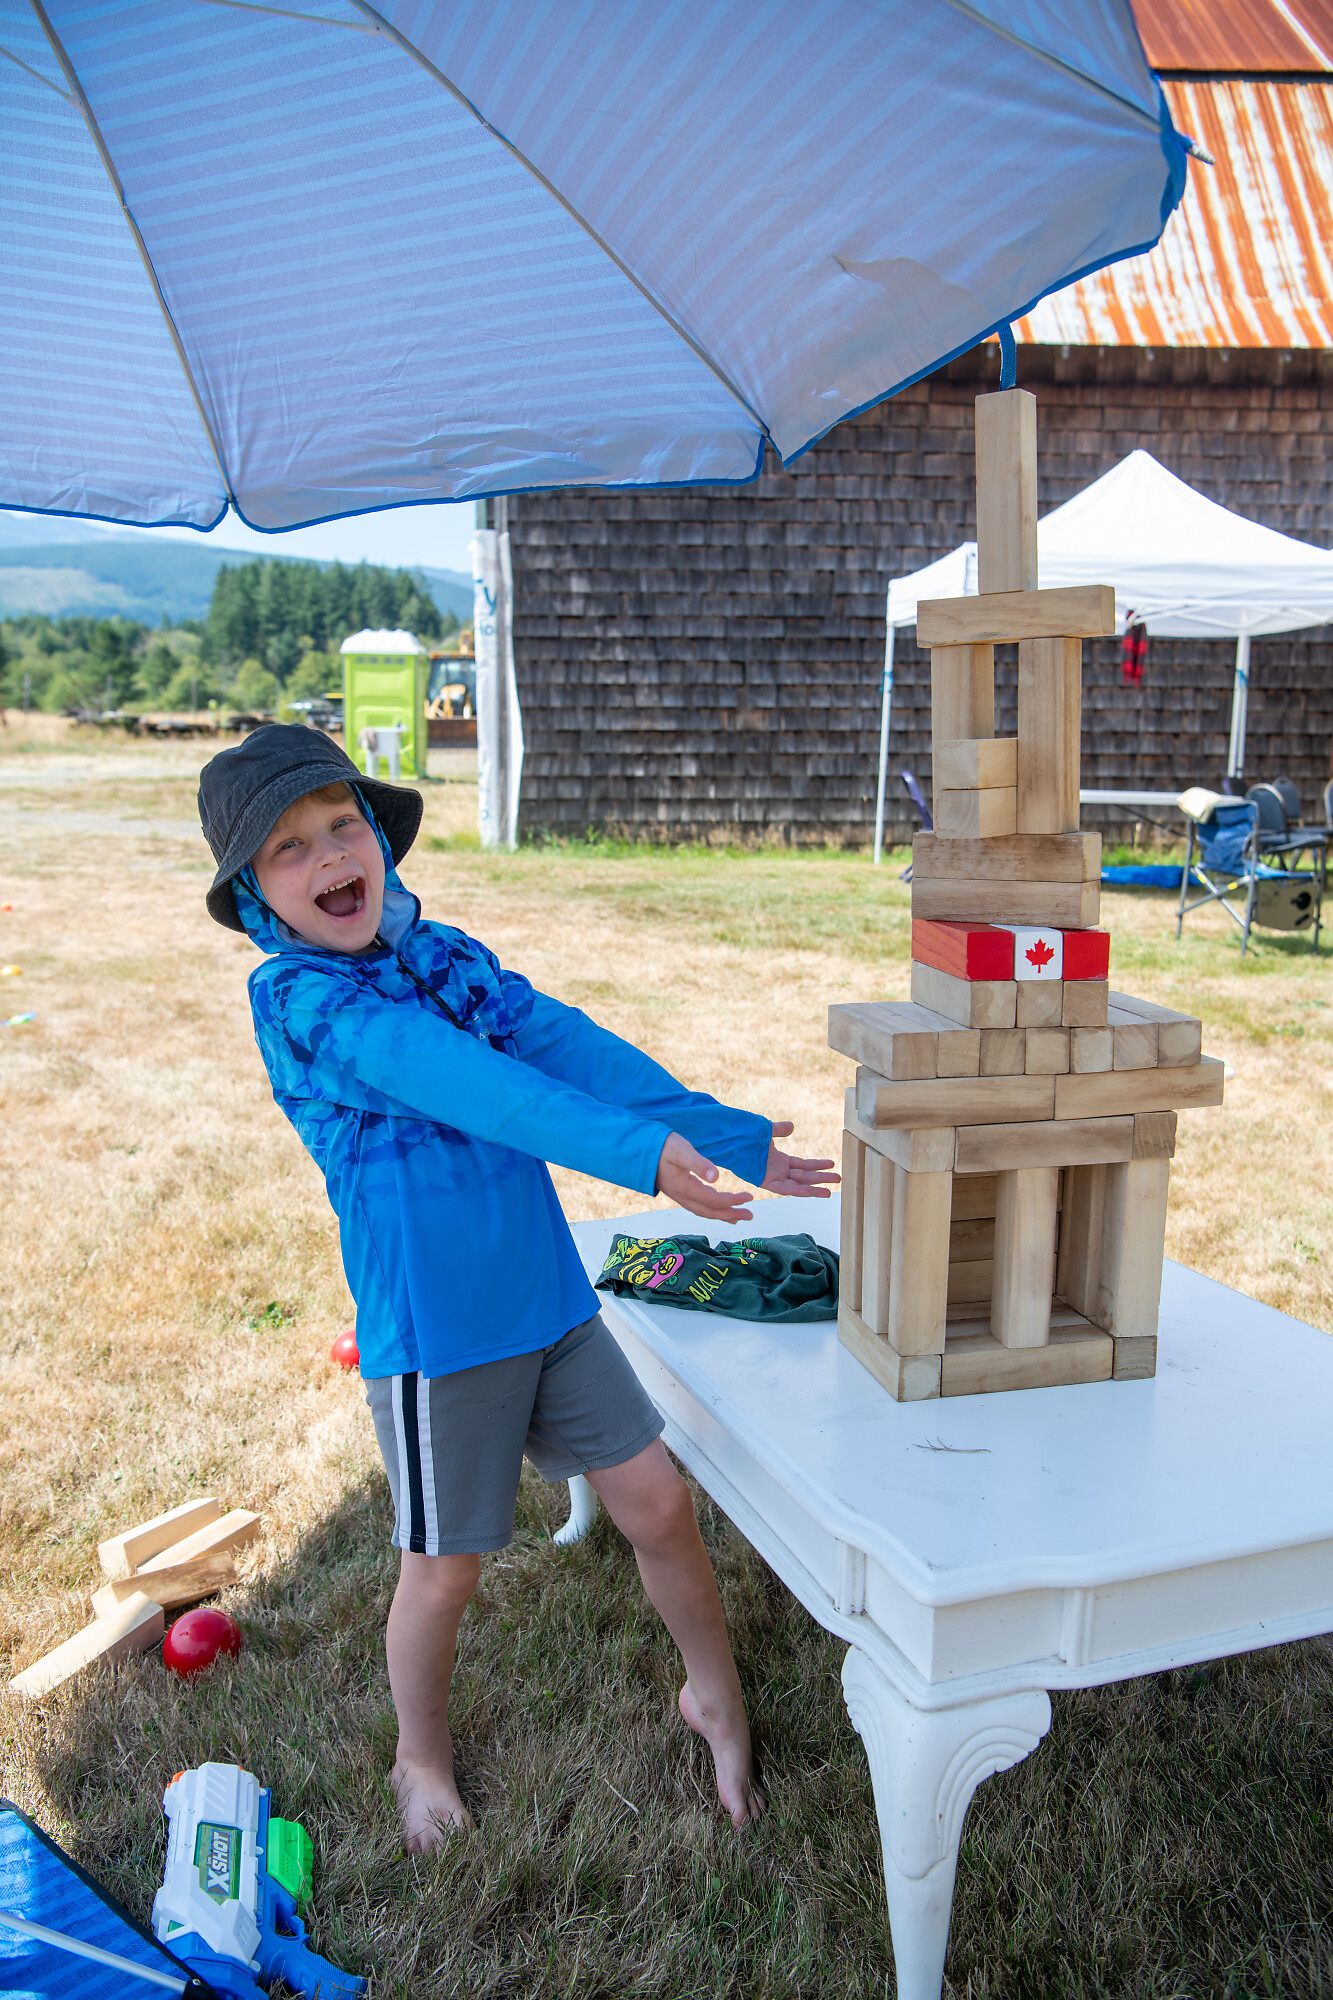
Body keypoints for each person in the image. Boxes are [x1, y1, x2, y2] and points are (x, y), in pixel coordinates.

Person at [197, 725, 837, 1852]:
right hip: (441, 1330)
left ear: (377, 835)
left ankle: (714, 1698)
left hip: (548, 1296)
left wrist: (723, 1134)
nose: (329, 855)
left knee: (659, 1504)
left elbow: (562, 1045)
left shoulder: (442, 957)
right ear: (255, 890)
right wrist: (637, 1156)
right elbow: (470, 1082)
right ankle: (419, 1754)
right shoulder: (299, 998)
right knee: (445, 1572)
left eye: (342, 824)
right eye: (289, 847)